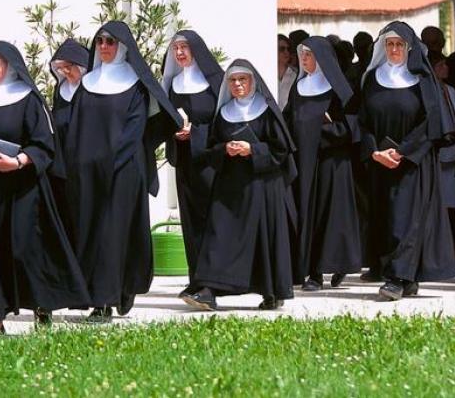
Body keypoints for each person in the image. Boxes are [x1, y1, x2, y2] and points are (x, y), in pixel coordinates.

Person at [0, 41, 90, 334]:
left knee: (27, 249)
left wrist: (17, 162)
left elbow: (44, 144)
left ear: (11, 67)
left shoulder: (27, 100)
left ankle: (42, 307)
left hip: (24, 188)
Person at [64, 21, 183, 322]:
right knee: (92, 232)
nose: (104, 47)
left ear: (123, 47)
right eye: (100, 41)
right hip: (88, 173)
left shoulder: (135, 85)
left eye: (110, 42)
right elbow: (76, 128)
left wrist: (111, 164)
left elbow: (134, 131)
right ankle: (102, 293)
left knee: (114, 233)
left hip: (124, 171)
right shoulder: (88, 84)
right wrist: (77, 164)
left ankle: (109, 298)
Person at [183, 59, 296, 311]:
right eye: (232, 80)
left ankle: (271, 293)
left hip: (262, 185)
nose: (237, 84)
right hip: (229, 188)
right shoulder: (224, 113)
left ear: (253, 82)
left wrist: (252, 149)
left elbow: (281, 150)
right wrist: (225, 148)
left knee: (262, 241)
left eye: (242, 79)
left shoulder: (266, 111)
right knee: (218, 235)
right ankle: (208, 290)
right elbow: (211, 148)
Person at [358, 21, 455, 300]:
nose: (394, 49)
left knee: (406, 220)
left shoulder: (422, 80)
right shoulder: (372, 80)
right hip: (381, 163)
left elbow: (431, 123)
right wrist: (374, 151)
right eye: (389, 44)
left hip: (413, 163)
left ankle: (397, 278)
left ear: (409, 48)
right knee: (386, 219)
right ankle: (406, 277)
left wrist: (403, 152)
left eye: (399, 44)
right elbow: (362, 122)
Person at [285, 36, 361, 290]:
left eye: (309, 55)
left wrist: (320, 131)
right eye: (302, 55)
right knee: (308, 213)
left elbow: (350, 128)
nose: (304, 60)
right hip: (305, 162)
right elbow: (288, 121)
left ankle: (336, 265)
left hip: (332, 162)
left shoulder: (339, 90)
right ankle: (312, 272)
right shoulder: (299, 88)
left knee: (331, 215)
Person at [161, 30, 223, 299]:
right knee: (190, 219)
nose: (179, 53)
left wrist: (195, 132)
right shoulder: (173, 84)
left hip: (210, 161)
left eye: (184, 47)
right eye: (175, 48)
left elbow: (224, 121)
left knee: (211, 219)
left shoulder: (215, 82)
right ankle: (196, 278)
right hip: (185, 159)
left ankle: (212, 281)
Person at [429, 51, 455, 261]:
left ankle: (452, 247)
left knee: (452, 203)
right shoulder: (427, 90)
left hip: (454, 156)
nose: (446, 68)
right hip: (435, 156)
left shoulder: (450, 91)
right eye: (441, 65)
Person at [49, 38, 89, 146]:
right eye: (60, 68)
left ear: (81, 66)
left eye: (67, 66)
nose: (65, 72)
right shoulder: (60, 90)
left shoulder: (92, 90)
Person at [277, 34, 297, 110]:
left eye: (288, 49)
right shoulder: (264, 75)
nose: (286, 52)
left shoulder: (296, 74)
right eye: (282, 49)